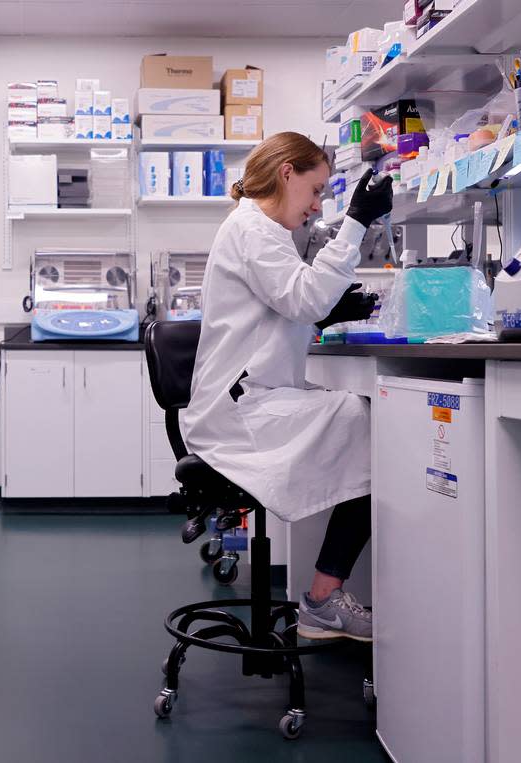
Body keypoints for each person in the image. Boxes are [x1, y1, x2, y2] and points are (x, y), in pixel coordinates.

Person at [182, 131, 391, 642]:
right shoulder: (253, 230)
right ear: (286, 173)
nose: (317, 206)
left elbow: (287, 312)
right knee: (370, 424)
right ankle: (322, 599)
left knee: (362, 420)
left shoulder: (264, 233)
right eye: (315, 190)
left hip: (251, 400)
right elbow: (302, 301)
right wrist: (356, 223)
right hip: (238, 414)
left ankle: (324, 594)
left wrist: (329, 310)